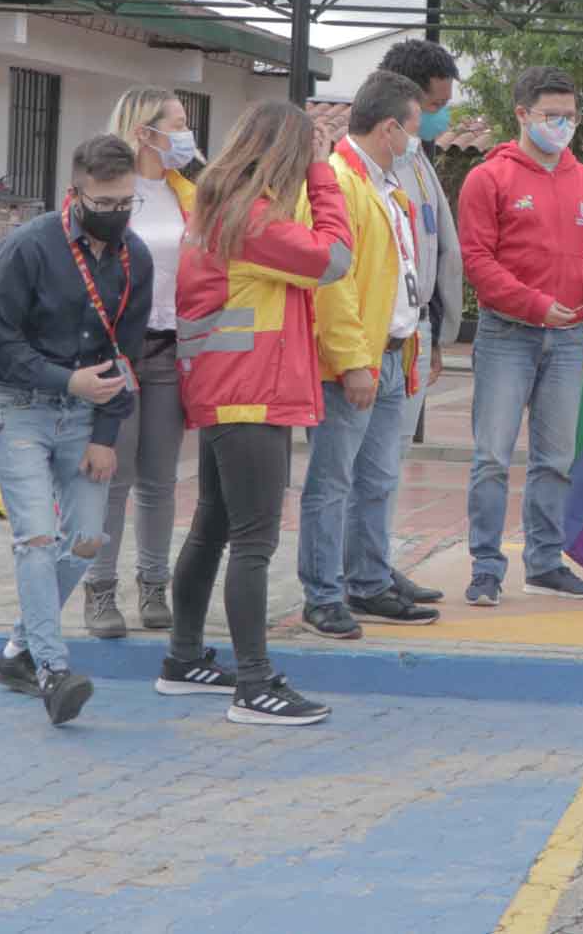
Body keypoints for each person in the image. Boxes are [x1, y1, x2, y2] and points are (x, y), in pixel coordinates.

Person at [167, 100, 355, 725]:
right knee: (253, 540)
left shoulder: (218, 207)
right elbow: (334, 259)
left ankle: (184, 658)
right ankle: (254, 685)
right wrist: (325, 176)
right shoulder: (255, 220)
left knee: (213, 527)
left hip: (228, 390)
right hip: (252, 393)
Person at [0, 134, 154, 726]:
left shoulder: (137, 259)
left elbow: (126, 354)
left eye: (128, 201)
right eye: (105, 203)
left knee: (85, 538)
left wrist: (106, 434)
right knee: (35, 536)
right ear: (75, 195)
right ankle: (51, 669)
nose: (118, 214)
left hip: (88, 413)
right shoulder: (28, 248)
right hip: (18, 404)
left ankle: (16, 651)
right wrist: (65, 380)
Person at [457, 67, 583, 605]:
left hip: (567, 340)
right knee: (492, 456)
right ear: (522, 115)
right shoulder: (488, 179)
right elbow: (477, 261)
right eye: (551, 116)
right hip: (507, 334)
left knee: (555, 459)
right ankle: (486, 567)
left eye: (570, 116)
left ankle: (543, 562)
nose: (563, 126)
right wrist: (536, 304)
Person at [298, 71, 441, 637]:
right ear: (388, 128)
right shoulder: (338, 183)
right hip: (355, 360)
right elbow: (334, 283)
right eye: (412, 130)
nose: (416, 142)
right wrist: (353, 359)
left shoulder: (385, 184)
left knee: (379, 478)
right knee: (332, 482)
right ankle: (323, 592)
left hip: (391, 352)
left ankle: (368, 578)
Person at [81, 88, 202, 640]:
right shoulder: (114, 192)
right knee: (111, 475)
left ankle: (154, 585)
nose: (185, 134)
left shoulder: (186, 192)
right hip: (116, 351)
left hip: (172, 348)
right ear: (143, 130)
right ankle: (98, 591)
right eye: (176, 123)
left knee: (160, 477)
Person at [376, 38, 468, 608]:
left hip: (415, 331)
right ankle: (356, 572)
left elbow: (431, 251)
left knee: (392, 462)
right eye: (435, 105)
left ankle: (377, 564)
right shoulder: (367, 171)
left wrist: (435, 332)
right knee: (366, 465)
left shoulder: (417, 162)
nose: (443, 116)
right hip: (377, 337)